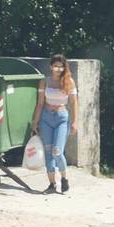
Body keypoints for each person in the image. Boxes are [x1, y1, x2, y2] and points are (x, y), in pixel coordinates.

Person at [31, 54, 78, 194]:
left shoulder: (69, 81)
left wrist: (75, 122)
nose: (58, 69)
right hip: (46, 117)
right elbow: (40, 103)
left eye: (61, 66)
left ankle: (64, 178)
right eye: (56, 66)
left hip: (61, 117)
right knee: (48, 151)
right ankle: (52, 184)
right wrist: (35, 122)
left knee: (57, 150)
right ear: (51, 66)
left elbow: (74, 102)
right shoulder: (44, 82)